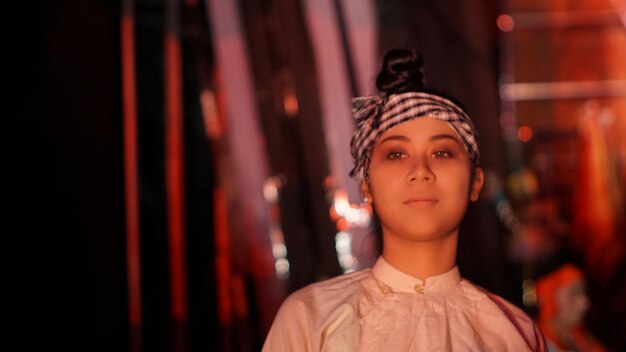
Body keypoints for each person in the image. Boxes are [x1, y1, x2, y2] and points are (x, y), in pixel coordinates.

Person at [262, 49, 547, 351]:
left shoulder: (515, 333)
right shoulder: (310, 319)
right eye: (396, 154)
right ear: (366, 186)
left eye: (442, 153)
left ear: (476, 183)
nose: (420, 171)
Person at [536, 264, 606, 352]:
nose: (584, 304)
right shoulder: (533, 343)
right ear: (549, 297)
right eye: (573, 294)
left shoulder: (579, 336)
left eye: (583, 292)